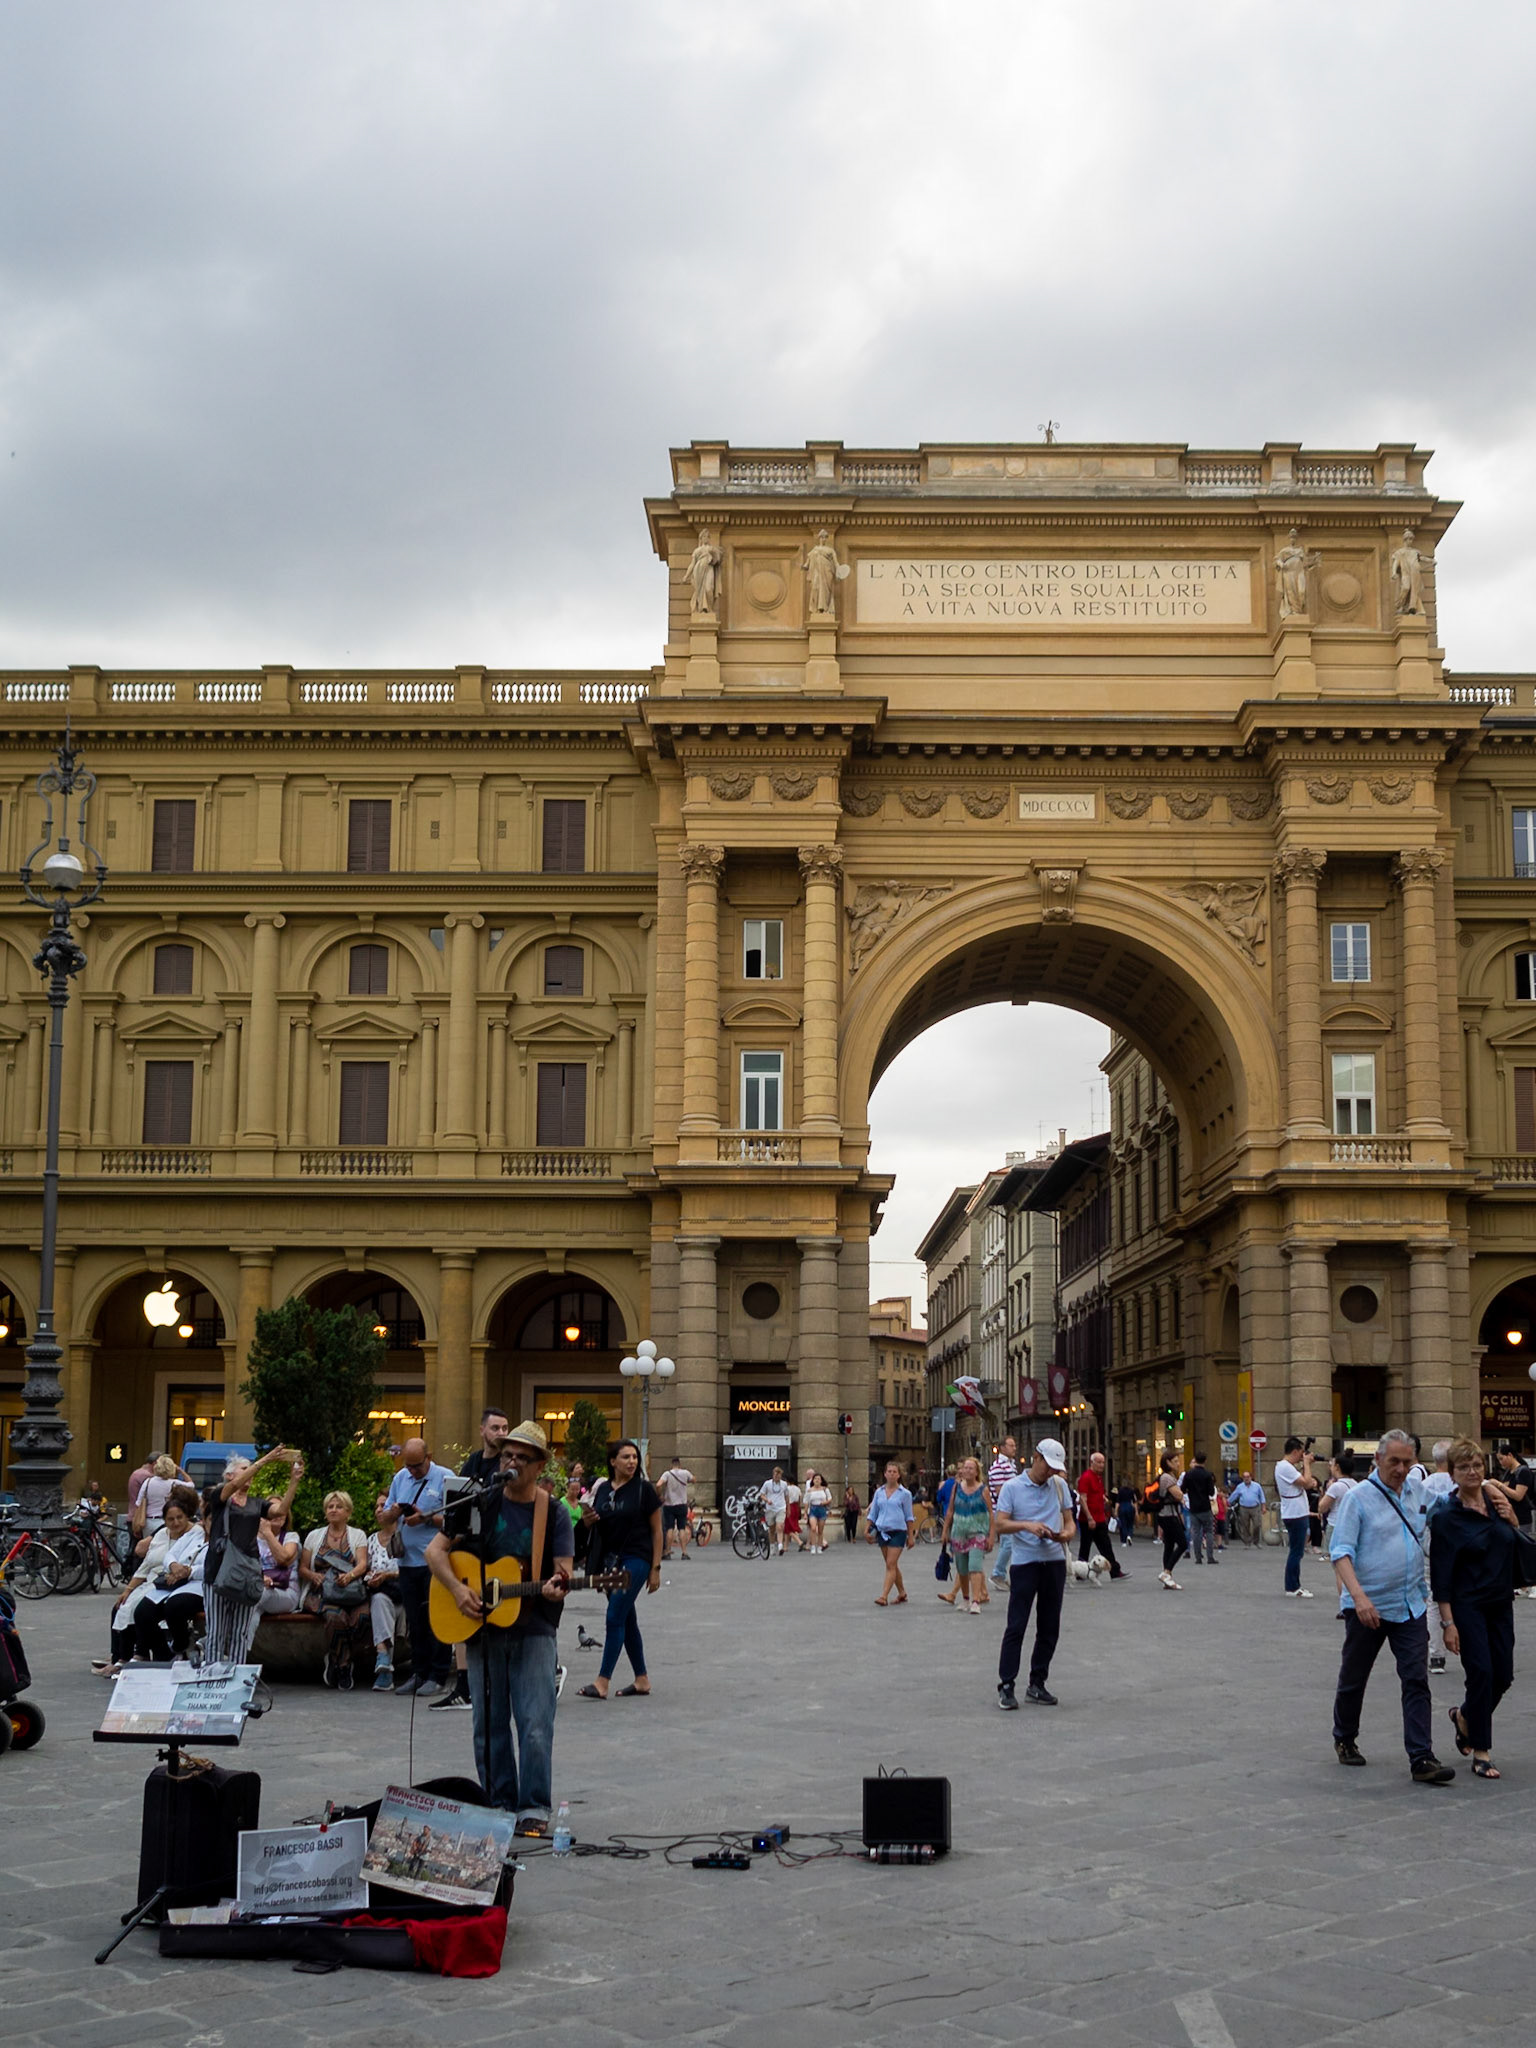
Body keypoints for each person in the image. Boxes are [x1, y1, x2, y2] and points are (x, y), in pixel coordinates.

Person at [428, 1418, 573, 1837]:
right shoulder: (479, 1501)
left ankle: (533, 1807)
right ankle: (497, 1802)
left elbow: (563, 1572)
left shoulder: (554, 1513)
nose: (511, 1462)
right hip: (482, 1627)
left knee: (534, 1723)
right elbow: (436, 1552)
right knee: (487, 1723)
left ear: (538, 1466)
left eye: (521, 1458)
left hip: (533, 1628)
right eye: (507, 1454)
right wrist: (457, 1590)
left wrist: (555, 1588)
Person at [1328, 1429, 1456, 1784]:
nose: (1400, 1469)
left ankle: (1421, 1757)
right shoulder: (1358, 1498)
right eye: (1393, 1461)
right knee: (1354, 1677)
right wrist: (1359, 1597)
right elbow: (1340, 1552)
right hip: (1368, 1605)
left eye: (1406, 1462)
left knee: (1416, 1679)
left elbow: (1449, 1506)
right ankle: (1345, 1737)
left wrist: (1489, 1491)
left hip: (1410, 1603)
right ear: (1378, 1461)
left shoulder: (1419, 1491)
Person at [1432, 1437, 1529, 1781]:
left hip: (1501, 1600)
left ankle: (1464, 1718)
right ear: (1452, 1473)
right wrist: (1447, 1622)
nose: (1472, 1472)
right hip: (1467, 1604)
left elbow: (1513, 1542)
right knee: (1482, 1673)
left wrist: (1512, 1520)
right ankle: (1482, 1751)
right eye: (1464, 1467)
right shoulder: (1446, 1515)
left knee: (1503, 1675)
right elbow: (1440, 1573)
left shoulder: (1496, 1500)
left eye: (1476, 1465)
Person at [577, 1439, 662, 1700]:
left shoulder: (644, 1490)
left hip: (637, 1559)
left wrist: (655, 1568)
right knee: (627, 1619)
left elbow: (658, 1530)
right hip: (610, 1561)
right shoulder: (603, 1489)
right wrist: (588, 1521)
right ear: (613, 1461)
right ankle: (642, 1679)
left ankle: (602, 1682)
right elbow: (598, 1526)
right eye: (625, 1457)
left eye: (634, 1457)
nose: (632, 1462)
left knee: (614, 1615)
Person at [993, 1438, 1073, 1709]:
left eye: (1055, 1468)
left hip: (1054, 1562)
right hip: (1025, 1563)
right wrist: (1027, 1526)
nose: (1050, 1472)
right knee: (1016, 1625)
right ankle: (1006, 1685)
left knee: (1050, 1626)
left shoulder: (1060, 1486)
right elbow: (1000, 1525)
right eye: (1047, 1466)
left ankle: (1037, 1683)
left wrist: (1065, 1534)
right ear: (1036, 1457)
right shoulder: (1012, 1488)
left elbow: (1071, 1522)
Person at [205, 1446, 302, 1667]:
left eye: (250, 1469)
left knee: (240, 1631)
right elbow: (234, 1487)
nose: (250, 1472)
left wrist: (294, 1481)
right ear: (230, 1475)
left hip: (246, 1573)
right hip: (218, 1571)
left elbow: (280, 1511)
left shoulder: (256, 1503)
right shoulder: (220, 1496)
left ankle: (237, 1681)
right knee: (216, 1632)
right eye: (244, 1468)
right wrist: (265, 1460)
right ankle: (211, 1679)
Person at [378, 1437, 455, 1697]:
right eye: (408, 1466)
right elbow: (385, 1515)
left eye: (417, 1466)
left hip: (435, 1561)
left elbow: (457, 1519)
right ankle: (419, 1672)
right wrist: (395, 1512)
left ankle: (438, 1674)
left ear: (429, 1457)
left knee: (436, 1619)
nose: (412, 1471)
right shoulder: (401, 1478)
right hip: (407, 1561)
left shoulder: (446, 1477)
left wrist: (426, 1517)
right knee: (415, 1621)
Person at [97, 1484, 201, 1674]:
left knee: (141, 1610)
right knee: (122, 1605)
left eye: (179, 1518)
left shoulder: (195, 1534)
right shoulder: (161, 1533)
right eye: (170, 1519)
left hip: (175, 1584)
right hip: (153, 1581)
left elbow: (186, 1562)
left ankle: (146, 1653)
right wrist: (127, 1590)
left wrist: (178, 1570)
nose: (175, 1522)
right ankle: (121, 1657)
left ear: (187, 1515)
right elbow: (145, 1564)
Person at [299, 1490, 370, 1689]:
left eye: (339, 1507)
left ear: (348, 1512)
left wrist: (349, 1577)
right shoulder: (314, 1536)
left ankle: (334, 1657)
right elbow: (303, 1568)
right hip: (323, 1593)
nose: (333, 1510)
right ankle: (344, 1666)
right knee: (336, 1617)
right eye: (330, 1507)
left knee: (361, 1618)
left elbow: (362, 1564)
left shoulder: (358, 1535)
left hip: (351, 1590)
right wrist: (313, 1576)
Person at [132, 1492, 208, 1661]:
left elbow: (214, 1569)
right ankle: (162, 1655)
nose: (208, 1524)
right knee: (142, 1612)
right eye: (207, 1520)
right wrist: (174, 1567)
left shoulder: (222, 1541)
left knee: (174, 1606)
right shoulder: (195, 1534)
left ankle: (180, 1646)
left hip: (200, 1586)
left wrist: (189, 1571)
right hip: (174, 1581)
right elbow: (170, 1555)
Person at [939, 1456, 995, 1614]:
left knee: (975, 1567)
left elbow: (991, 1514)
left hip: (977, 1533)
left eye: (971, 1468)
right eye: (965, 1468)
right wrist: (945, 1531)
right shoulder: (957, 1488)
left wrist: (991, 1536)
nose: (967, 1470)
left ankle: (976, 1601)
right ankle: (965, 1599)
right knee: (962, 1569)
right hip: (959, 1533)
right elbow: (950, 1510)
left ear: (977, 1472)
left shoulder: (983, 1489)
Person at [365, 1493, 402, 1692]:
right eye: (377, 1506)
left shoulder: (405, 1535)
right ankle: (384, 1660)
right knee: (379, 1600)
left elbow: (413, 1568)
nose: (379, 1509)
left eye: (383, 1505)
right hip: (382, 1595)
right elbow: (365, 1567)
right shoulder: (371, 1540)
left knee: (381, 1603)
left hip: (404, 1592)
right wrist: (372, 1576)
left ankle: (385, 1668)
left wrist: (387, 1575)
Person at [866, 1459, 915, 1605]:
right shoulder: (879, 1492)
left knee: (890, 1564)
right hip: (882, 1531)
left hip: (898, 1531)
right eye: (889, 1471)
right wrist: (867, 1528)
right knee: (891, 1565)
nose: (892, 1474)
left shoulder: (905, 1494)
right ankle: (902, 1592)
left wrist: (910, 1536)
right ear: (885, 1474)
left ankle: (884, 1596)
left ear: (899, 1475)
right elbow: (873, 1512)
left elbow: (909, 1516)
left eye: (895, 1472)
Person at [1274, 1437, 1318, 1595]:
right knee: (1296, 1551)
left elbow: (1305, 1481)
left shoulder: (1285, 1467)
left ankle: (1293, 1585)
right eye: (1300, 1453)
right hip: (1295, 1513)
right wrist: (1306, 1464)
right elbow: (1306, 1483)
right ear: (1294, 1451)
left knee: (1297, 1551)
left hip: (1295, 1511)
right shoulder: (1285, 1467)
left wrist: (1307, 1474)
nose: (1302, 1456)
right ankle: (1292, 1587)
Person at [1076, 1451, 1128, 1579]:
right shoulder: (1086, 1477)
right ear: (1092, 1462)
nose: (1101, 1465)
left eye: (1103, 1462)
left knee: (1105, 1546)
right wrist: (1089, 1518)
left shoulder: (1098, 1478)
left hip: (1099, 1518)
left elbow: (1096, 1494)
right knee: (1086, 1547)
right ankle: (1080, 1572)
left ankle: (1114, 1571)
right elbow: (1083, 1499)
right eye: (1098, 1462)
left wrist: (1103, 1498)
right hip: (1089, 1520)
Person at [256, 1492, 301, 1616]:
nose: (279, 1514)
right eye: (274, 1511)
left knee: (254, 1596)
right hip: (259, 1589)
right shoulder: (251, 1539)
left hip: (286, 1592)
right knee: (253, 1611)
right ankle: (240, 1636)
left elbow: (283, 1559)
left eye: (282, 1510)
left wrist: (267, 1532)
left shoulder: (291, 1537)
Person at [987, 1438, 1019, 1588]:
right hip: (1002, 1510)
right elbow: (1002, 1493)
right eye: (1011, 1445)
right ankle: (998, 1574)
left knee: (1009, 1542)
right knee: (1008, 1542)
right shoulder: (998, 1467)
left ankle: (1001, 1573)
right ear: (1002, 1448)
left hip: (1010, 1510)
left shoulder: (1010, 1465)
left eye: (1014, 1445)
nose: (1014, 1448)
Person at [1155, 1454, 1188, 1590]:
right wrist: (1181, 1494)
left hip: (1164, 1514)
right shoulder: (1167, 1478)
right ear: (1167, 1462)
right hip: (1169, 1515)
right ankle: (1166, 1572)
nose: (1178, 1464)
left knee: (1169, 1545)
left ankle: (1167, 1578)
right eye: (1175, 1461)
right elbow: (1179, 1495)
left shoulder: (1166, 1477)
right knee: (1182, 1544)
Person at [1319, 1453, 1357, 1561]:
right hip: (1350, 1524)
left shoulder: (1336, 1486)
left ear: (1337, 1467)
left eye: (1332, 1464)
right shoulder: (1356, 1484)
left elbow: (1322, 1507)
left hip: (1335, 1523)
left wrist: (1326, 1491)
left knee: (1334, 1558)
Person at [1180, 1452, 1217, 1565]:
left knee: (1196, 1532)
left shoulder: (1189, 1474)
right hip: (1205, 1506)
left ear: (1195, 1460)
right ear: (1205, 1461)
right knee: (1209, 1532)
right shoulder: (1207, 1474)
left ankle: (1198, 1557)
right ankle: (1210, 1557)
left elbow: (1182, 1489)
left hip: (1193, 1507)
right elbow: (1211, 1492)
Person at [658, 1454, 695, 1561]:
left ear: (672, 1464)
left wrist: (660, 1496)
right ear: (679, 1464)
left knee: (669, 1528)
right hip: (682, 1505)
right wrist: (687, 1481)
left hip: (669, 1505)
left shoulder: (667, 1474)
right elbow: (694, 1479)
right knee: (681, 1528)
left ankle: (668, 1552)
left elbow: (658, 1485)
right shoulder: (685, 1473)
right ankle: (684, 1553)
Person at [759, 1466, 790, 1555]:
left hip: (781, 1508)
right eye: (775, 1475)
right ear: (773, 1475)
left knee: (780, 1527)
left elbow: (787, 1497)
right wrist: (767, 1500)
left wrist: (788, 1508)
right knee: (771, 1529)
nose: (776, 1476)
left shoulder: (784, 1484)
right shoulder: (767, 1484)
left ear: (781, 1475)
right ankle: (772, 1546)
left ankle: (780, 1545)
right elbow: (762, 1494)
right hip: (770, 1509)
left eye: (778, 1475)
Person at [1230, 1471, 1265, 1547]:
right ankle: (1247, 1542)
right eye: (1245, 1477)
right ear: (1243, 1478)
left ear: (1251, 1477)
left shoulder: (1257, 1486)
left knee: (1257, 1525)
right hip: (1244, 1508)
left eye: (1248, 1477)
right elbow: (1234, 1495)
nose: (1246, 1479)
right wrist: (1227, 1502)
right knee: (1245, 1525)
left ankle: (1256, 1541)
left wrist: (1263, 1507)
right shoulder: (1240, 1487)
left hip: (1255, 1507)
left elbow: (1262, 1496)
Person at [804, 1471, 832, 1553]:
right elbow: (806, 1502)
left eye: (818, 1479)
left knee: (820, 1530)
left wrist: (825, 1503)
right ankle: (813, 1546)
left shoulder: (825, 1489)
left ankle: (819, 1546)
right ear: (813, 1480)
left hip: (822, 1509)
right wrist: (805, 1513)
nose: (817, 1480)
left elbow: (830, 1498)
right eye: (815, 1479)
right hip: (813, 1509)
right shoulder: (810, 1490)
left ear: (821, 1481)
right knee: (813, 1528)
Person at [784, 1477, 805, 1552]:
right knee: (790, 1526)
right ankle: (785, 1546)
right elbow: (799, 1499)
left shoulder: (787, 1489)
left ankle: (799, 1542)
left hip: (789, 1507)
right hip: (796, 1507)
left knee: (788, 1527)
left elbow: (785, 1499)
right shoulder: (798, 1489)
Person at [1115, 1480, 1138, 1547]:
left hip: (1122, 1507)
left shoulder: (1120, 1491)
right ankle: (1129, 1535)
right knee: (1130, 1524)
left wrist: (1116, 1511)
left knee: (1123, 1524)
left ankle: (1124, 1541)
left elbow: (1118, 1502)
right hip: (1130, 1507)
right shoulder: (1132, 1491)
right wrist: (1136, 1511)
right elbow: (1134, 1501)